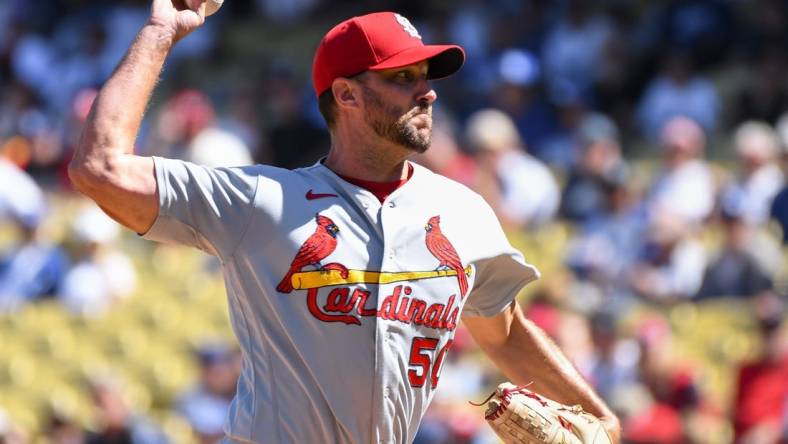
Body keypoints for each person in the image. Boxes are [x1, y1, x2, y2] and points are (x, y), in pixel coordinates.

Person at [68, 2, 620, 443]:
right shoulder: (262, 201)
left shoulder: (464, 211)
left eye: (426, 75)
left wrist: (603, 420)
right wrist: (161, 32)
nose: (426, 90)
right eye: (402, 76)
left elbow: (505, 334)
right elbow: (99, 168)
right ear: (347, 94)